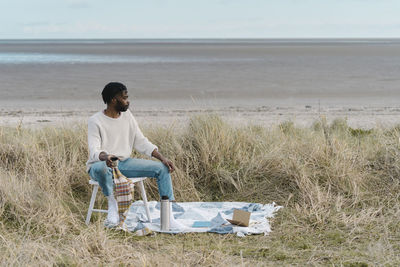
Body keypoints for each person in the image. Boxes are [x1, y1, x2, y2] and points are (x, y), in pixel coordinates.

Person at [86, 82, 180, 226]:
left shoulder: (127, 116)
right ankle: (113, 206)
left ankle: (168, 216)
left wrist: (162, 158)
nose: (127, 101)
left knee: (162, 168)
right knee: (104, 168)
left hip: (124, 163)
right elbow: (94, 150)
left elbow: (141, 141)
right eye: (124, 98)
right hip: (100, 165)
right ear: (113, 100)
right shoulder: (95, 121)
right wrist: (107, 157)